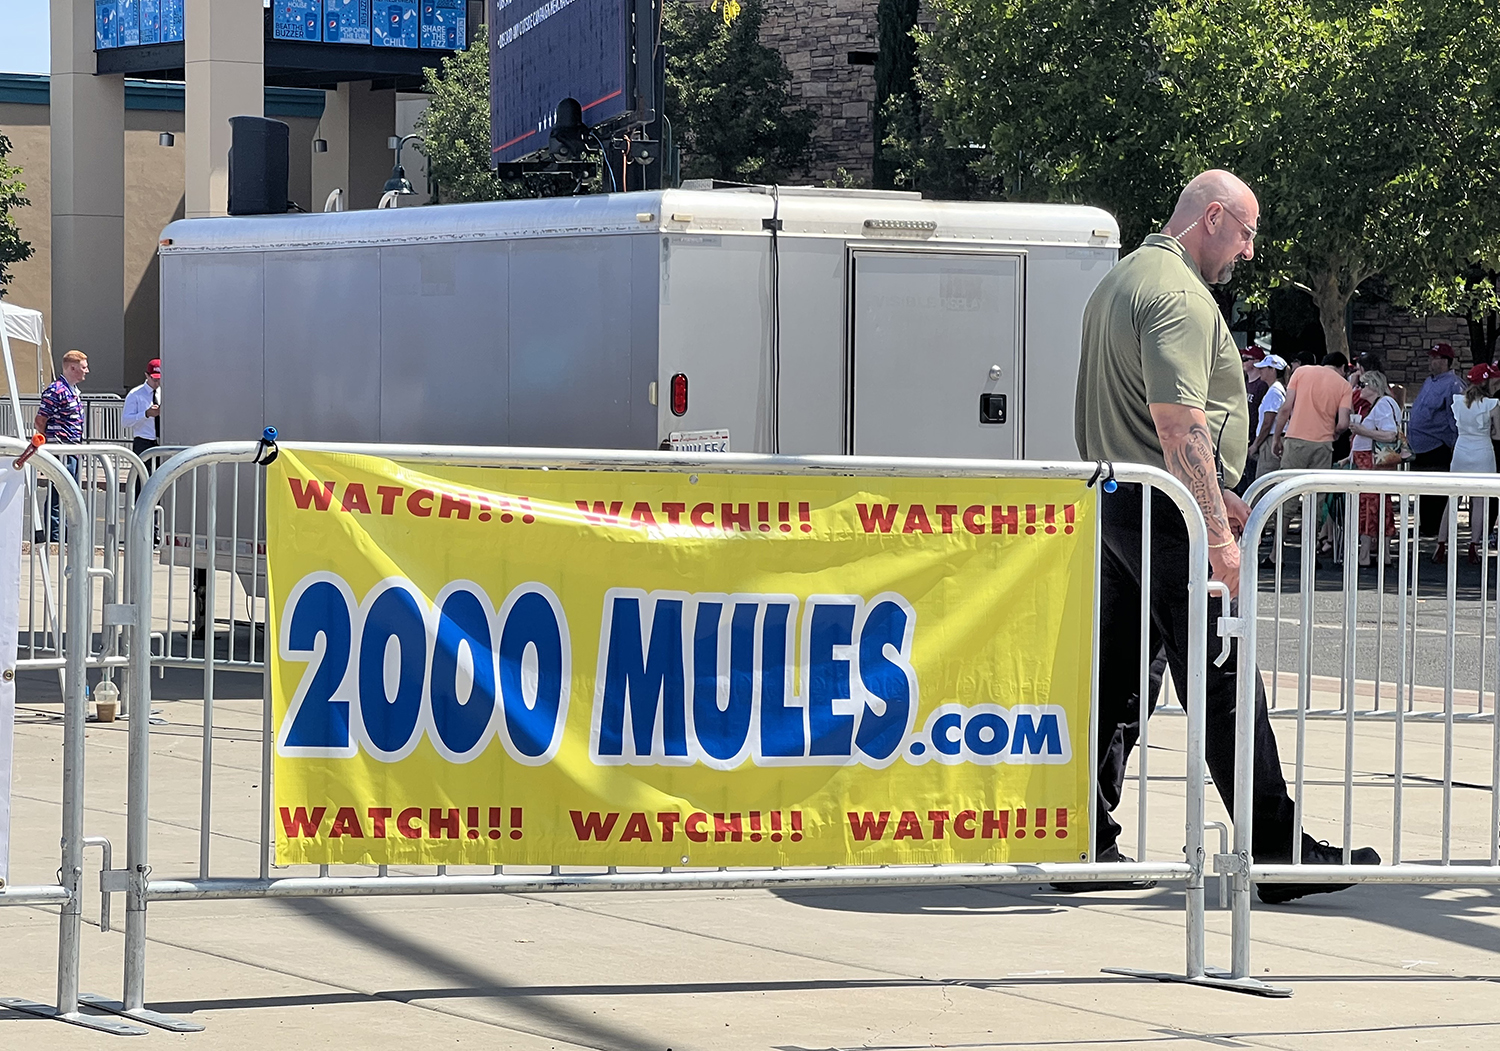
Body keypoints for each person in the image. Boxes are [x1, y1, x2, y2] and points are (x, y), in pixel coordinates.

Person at [1072, 168, 1378, 901]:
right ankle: (1275, 852)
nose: (1247, 252)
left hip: (1121, 501)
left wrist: (1214, 498)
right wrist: (1217, 529)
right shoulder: (1178, 294)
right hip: (1169, 512)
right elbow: (1178, 421)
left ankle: (1084, 837)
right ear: (1212, 217)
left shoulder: (1120, 280)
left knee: (1121, 678)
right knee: (1225, 680)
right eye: (1245, 234)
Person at [1435, 364, 1500, 565]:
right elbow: (1498, 434)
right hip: (1482, 451)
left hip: (1462, 450)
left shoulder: (1458, 402)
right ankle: (1473, 545)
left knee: (1452, 498)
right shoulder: (1492, 404)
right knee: (1479, 501)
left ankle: (1441, 544)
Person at [1407, 343, 1464, 537]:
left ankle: (1436, 528)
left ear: (1446, 361)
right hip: (1421, 446)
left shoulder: (1454, 384)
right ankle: (1426, 525)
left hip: (1437, 445)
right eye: (1430, 357)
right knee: (1424, 488)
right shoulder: (1429, 381)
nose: (1431, 361)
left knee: (1436, 488)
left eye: (1435, 358)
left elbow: (1455, 416)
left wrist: (1455, 444)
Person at [1347, 371, 1401, 567]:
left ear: (1373, 386)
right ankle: (1380, 554)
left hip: (1371, 462)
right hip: (1369, 460)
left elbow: (1390, 435)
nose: (1359, 389)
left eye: (1362, 385)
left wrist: (1362, 431)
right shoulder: (1383, 404)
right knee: (1380, 505)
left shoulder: (1382, 405)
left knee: (1369, 507)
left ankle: (1366, 555)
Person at [34, 350, 88, 543]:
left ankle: (63, 534)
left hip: (71, 449)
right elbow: (40, 419)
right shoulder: (57, 390)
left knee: (69, 493)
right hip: (61, 449)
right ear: (72, 367)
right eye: (83, 367)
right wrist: (50, 443)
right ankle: (55, 536)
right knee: (59, 492)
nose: (86, 371)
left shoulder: (71, 390)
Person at [1271, 350, 1353, 470]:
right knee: (1317, 485)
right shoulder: (1345, 386)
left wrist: (1276, 438)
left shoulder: (1300, 372)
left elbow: (1285, 409)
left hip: (1296, 439)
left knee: (1290, 484)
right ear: (1343, 367)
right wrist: (1335, 433)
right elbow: (1343, 424)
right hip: (1324, 443)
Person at [1246, 351, 1287, 481]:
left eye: (1263, 368)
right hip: (1271, 439)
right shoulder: (1276, 389)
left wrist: (1255, 445)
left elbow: (1267, 422)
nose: (1260, 371)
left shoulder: (1274, 391)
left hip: (1270, 441)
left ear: (1272, 370)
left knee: (1264, 482)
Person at [122, 358, 162, 458]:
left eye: (160, 379)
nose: (157, 383)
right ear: (147, 375)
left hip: (163, 441)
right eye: (155, 379)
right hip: (144, 441)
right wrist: (146, 414)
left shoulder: (164, 392)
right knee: (143, 473)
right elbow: (125, 421)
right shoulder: (135, 394)